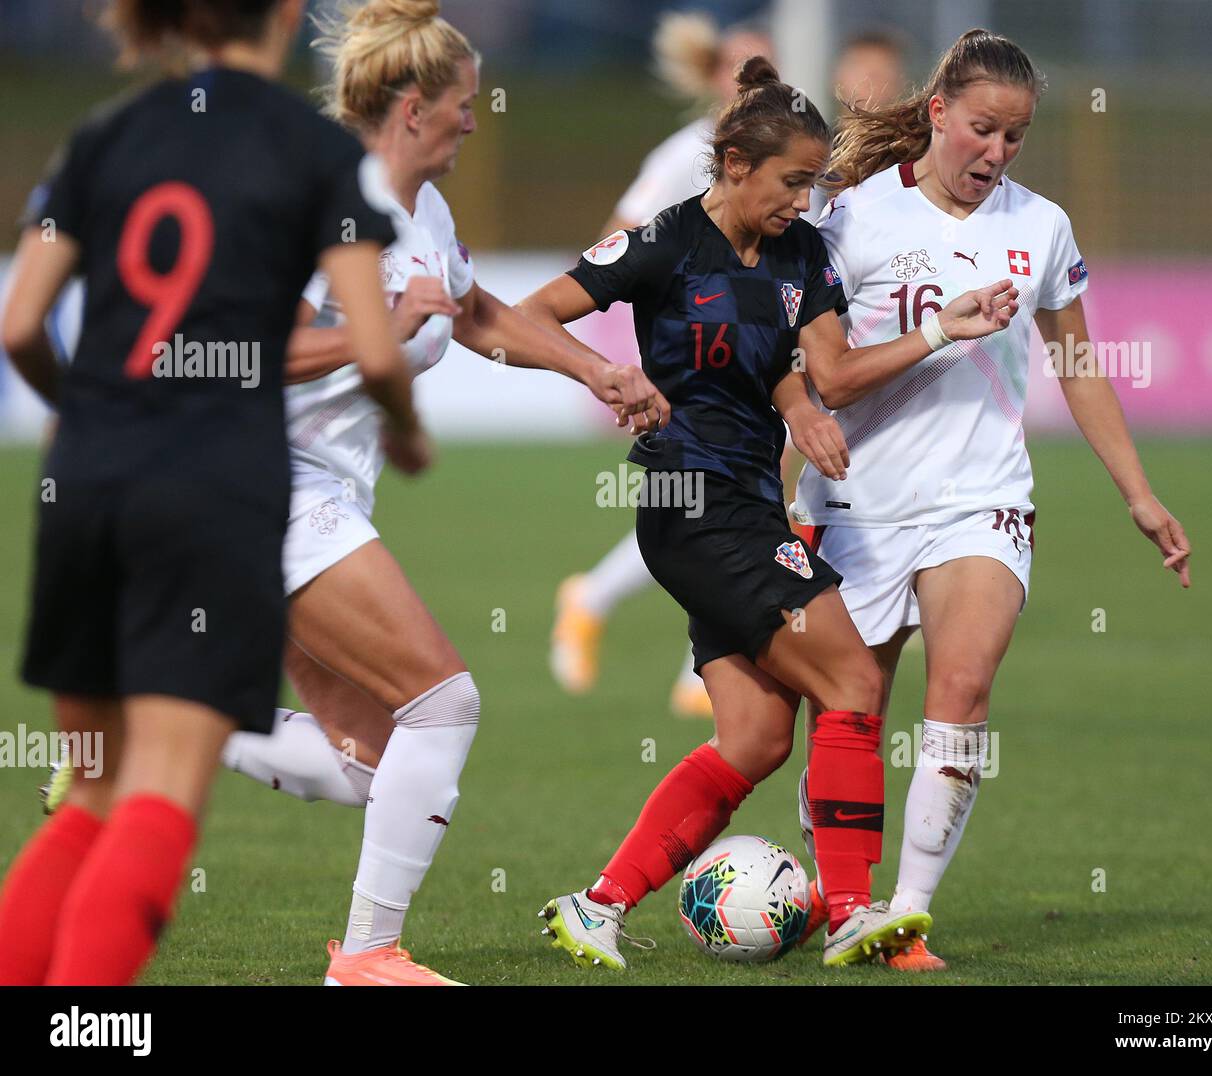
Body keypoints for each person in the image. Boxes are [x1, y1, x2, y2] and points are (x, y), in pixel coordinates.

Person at [518, 56, 1018, 970]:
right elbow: (527, 318)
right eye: (792, 182)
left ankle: (597, 906)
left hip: (749, 504)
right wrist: (601, 371)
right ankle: (855, 911)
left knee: (754, 739)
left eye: (815, 183)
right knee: (856, 688)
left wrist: (804, 407)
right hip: (695, 505)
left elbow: (818, 368)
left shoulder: (798, 254)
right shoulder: (665, 243)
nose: (803, 201)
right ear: (736, 162)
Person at [211, 0, 667, 986]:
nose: (474, 119)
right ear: (413, 106)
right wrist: (377, 324)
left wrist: (595, 371)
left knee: (368, 764)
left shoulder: (422, 211)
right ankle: (367, 955)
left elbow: (476, 312)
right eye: (463, 104)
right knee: (444, 701)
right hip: (258, 481)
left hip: (313, 486)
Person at [0, 0, 424, 986]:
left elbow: (21, 322)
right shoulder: (314, 150)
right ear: (286, 13)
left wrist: (92, 409)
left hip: (87, 480)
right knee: (155, 793)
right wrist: (404, 430)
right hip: (212, 487)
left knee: (93, 791)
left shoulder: (108, 131)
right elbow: (372, 344)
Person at [791, 28, 1192, 971]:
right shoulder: (852, 221)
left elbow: (1079, 362)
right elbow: (812, 372)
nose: (996, 154)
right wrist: (774, 492)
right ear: (936, 113)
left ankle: (908, 914)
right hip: (857, 504)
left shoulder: (1039, 227)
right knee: (851, 712)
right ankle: (843, 893)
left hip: (983, 497)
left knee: (963, 687)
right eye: (981, 130)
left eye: (1015, 138)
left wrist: (1138, 493)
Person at [549, 12, 774, 718]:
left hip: (764, 354)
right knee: (721, 505)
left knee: (730, 505)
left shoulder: (786, 156)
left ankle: (683, 658)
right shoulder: (689, 154)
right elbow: (617, 240)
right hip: (706, 359)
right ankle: (687, 659)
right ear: (713, 80)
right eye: (739, 71)